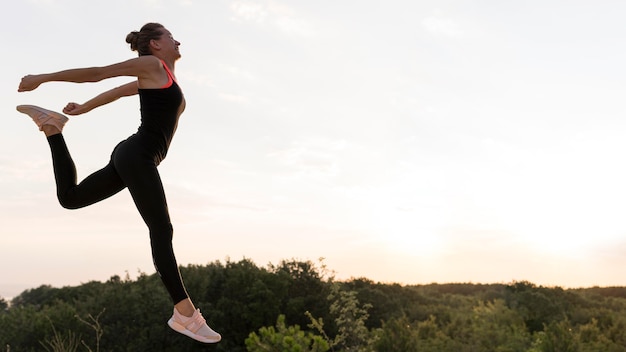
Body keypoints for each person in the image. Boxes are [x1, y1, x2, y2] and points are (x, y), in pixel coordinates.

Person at [16, 23, 221, 344]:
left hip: (136, 156)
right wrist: (42, 78)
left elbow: (117, 91)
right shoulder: (152, 66)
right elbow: (100, 73)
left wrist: (84, 108)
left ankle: (53, 128)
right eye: (170, 36)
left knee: (70, 198)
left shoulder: (161, 75)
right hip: (137, 155)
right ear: (155, 44)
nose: (177, 40)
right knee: (162, 229)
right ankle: (186, 314)